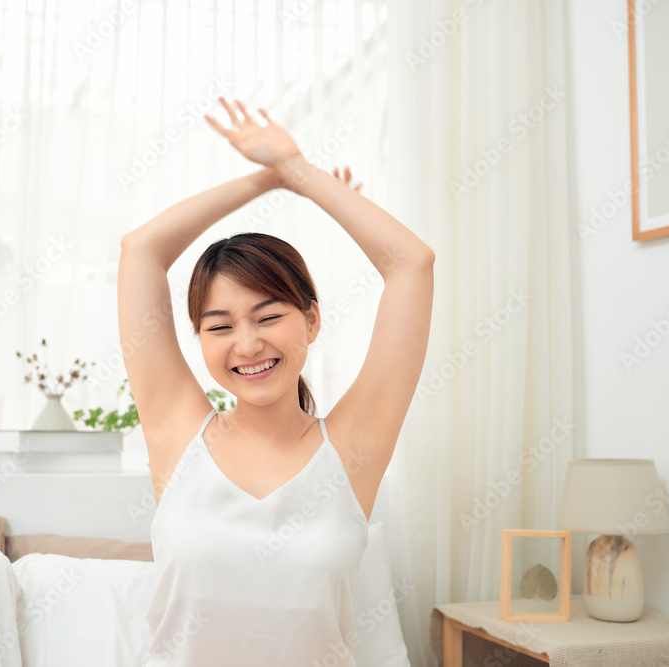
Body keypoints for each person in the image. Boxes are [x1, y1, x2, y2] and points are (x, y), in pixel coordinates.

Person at [117, 97, 434, 667]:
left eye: (268, 317)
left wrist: (300, 172)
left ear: (311, 320)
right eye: (219, 326)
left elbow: (411, 262)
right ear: (200, 339)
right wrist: (269, 178)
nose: (247, 344)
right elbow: (142, 249)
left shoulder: (353, 450)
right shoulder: (176, 434)